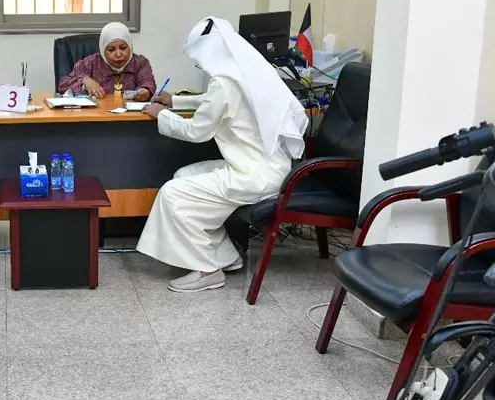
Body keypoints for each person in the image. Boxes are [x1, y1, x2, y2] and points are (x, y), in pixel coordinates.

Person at [137, 16, 309, 293]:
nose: (201, 64)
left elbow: (197, 131)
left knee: (173, 193)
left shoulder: (225, 82)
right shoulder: (247, 72)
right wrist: (175, 100)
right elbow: (215, 100)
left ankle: (207, 270)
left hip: (253, 175)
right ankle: (225, 256)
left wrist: (162, 115)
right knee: (183, 175)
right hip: (268, 167)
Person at [58, 22, 157, 100]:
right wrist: (85, 82)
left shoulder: (140, 63)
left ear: (130, 47)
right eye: (111, 50)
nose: (118, 54)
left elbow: (148, 83)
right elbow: (63, 85)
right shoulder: (91, 63)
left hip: (130, 116)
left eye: (123, 48)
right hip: (98, 116)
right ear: (103, 50)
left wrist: (145, 92)